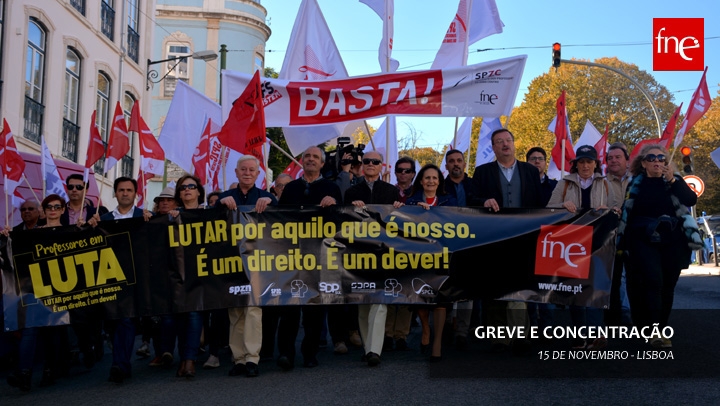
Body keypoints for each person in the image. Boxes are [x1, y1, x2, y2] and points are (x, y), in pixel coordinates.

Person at [617, 143, 698, 348]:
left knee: (668, 285)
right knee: (653, 281)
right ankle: (655, 331)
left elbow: (691, 199)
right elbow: (629, 213)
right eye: (651, 158)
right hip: (643, 239)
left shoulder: (675, 181)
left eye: (661, 158)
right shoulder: (635, 183)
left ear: (666, 162)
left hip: (673, 240)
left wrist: (672, 180)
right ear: (643, 163)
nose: (656, 161)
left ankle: (661, 326)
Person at [472, 128, 542, 354]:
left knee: (519, 286)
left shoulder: (530, 171)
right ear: (492, 147)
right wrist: (484, 201)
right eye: (499, 142)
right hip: (493, 238)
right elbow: (472, 199)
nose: (504, 145)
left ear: (514, 144)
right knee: (494, 287)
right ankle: (499, 338)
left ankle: (520, 335)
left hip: (524, 236)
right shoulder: (482, 172)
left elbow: (540, 201)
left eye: (508, 140)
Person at [276, 146, 342, 370]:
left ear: (322, 164)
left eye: (315, 157)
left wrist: (333, 205)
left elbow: (340, 222)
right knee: (289, 308)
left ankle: (310, 353)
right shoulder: (291, 188)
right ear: (301, 162)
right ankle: (286, 353)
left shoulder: (332, 188)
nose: (311, 160)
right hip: (292, 257)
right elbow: (279, 219)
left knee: (314, 308)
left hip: (318, 257)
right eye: (307, 157)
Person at [547, 145, 613, 350]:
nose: (585, 165)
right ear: (576, 164)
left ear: (596, 164)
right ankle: (579, 335)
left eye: (589, 162)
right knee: (575, 289)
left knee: (595, 288)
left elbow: (617, 210)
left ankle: (596, 334)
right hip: (571, 244)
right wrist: (563, 205)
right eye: (581, 162)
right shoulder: (564, 183)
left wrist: (608, 210)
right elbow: (550, 207)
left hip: (598, 243)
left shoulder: (606, 184)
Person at [218, 156, 277, 378]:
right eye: (243, 169)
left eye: (252, 169)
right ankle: (239, 359)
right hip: (232, 262)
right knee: (235, 311)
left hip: (257, 263)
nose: (247, 172)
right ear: (236, 172)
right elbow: (212, 218)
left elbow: (282, 219)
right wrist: (220, 205)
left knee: (253, 310)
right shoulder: (225, 197)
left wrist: (272, 204)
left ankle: (252, 358)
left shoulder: (266, 196)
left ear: (257, 173)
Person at [345, 151, 404, 366]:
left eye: (375, 162)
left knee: (379, 301)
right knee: (362, 302)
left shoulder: (391, 191)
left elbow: (401, 222)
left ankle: (374, 350)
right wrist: (351, 207)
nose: (370, 164)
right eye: (366, 161)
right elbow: (343, 220)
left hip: (384, 254)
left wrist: (398, 208)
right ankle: (367, 346)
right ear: (362, 165)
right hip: (359, 253)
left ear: (382, 166)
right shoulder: (351, 191)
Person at [6, 195, 68, 391]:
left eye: (57, 207)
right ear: (44, 210)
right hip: (33, 288)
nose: (52, 210)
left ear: (63, 210)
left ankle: (50, 370)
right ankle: (24, 373)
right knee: (30, 328)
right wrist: (6, 238)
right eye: (49, 206)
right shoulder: (33, 233)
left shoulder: (69, 231)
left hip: (59, 288)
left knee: (51, 330)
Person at [96, 177, 151, 384]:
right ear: (115, 193)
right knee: (113, 322)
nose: (125, 193)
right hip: (111, 278)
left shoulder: (144, 216)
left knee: (126, 320)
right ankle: (119, 362)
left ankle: (120, 364)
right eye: (121, 190)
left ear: (135, 194)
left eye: (129, 190)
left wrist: (152, 221)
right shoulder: (104, 219)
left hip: (136, 279)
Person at [406, 164, 457, 361]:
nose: (431, 181)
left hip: (443, 257)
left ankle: (437, 343)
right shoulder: (411, 201)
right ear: (421, 181)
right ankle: (426, 329)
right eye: (427, 178)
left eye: (434, 178)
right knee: (421, 296)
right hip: (419, 257)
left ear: (439, 181)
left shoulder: (448, 201)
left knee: (441, 298)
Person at [164, 175, 207, 379]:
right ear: (179, 194)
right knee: (179, 317)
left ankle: (189, 360)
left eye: (191, 186)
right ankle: (183, 359)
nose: (187, 190)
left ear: (199, 191)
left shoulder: (210, 214)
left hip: (203, 275)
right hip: (178, 276)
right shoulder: (173, 216)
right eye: (183, 188)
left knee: (194, 313)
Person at [443, 149, 481, 350]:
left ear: (464, 164)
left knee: (467, 288)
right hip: (446, 246)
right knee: (446, 285)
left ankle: (462, 332)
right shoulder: (440, 186)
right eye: (451, 161)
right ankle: (447, 323)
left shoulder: (475, 184)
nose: (456, 164)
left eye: (459, 160)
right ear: (446, 165)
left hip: (472, 244)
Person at [145, 186, 178, 367]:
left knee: (169, 316)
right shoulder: (148, 220)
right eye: (161, 200)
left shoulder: (179, 219)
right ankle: (160, 352)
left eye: (169, 200)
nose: (164, 202)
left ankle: (167, 350)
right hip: (153, 275)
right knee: (156, 317)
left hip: (175, 274)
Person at [605, 142, 633, 327]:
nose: (613, 161)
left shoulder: (639, 179)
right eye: (610, 158)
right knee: (614, 278)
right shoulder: (600, 182)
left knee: (635, 277)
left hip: (635, 236)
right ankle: (617, 315)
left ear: (627, 160)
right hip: (610, 238)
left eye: (618, 157)